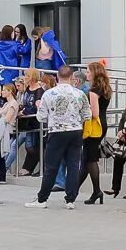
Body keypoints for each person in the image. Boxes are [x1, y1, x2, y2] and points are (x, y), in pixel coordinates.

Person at [27, 66, 88, 208]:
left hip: (56, 131)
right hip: (75, 131)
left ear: (57, 77)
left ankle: (42, 199)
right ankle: (70, 199)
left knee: (51, 166)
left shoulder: (49, 94)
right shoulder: (79, 93)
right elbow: (87, 115)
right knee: (73, 165)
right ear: (72, 77)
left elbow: (41, 117)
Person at [78, 61, 112, 205]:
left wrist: (81, 112)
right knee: (86, 158)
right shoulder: (105, 88)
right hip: (102, 125)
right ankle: (74, 189)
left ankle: (96, 191)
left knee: (90, 158)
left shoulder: (93, 91)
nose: (86, 73)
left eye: (88, 71)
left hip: (94, 126)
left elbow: (94, 112)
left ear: (94, 73)